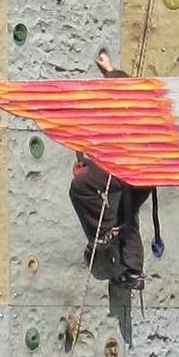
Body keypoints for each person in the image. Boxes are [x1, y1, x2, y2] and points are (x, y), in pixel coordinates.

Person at [69, 51, 156, 291]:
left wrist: (109, 73)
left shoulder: (126, 106)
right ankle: (132, 271)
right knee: (127, 214)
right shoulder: (133, 108)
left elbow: (121, 89)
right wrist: (108, 71)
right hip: (145, 173)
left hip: (131, 166)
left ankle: (105, 230)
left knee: (80, 187)